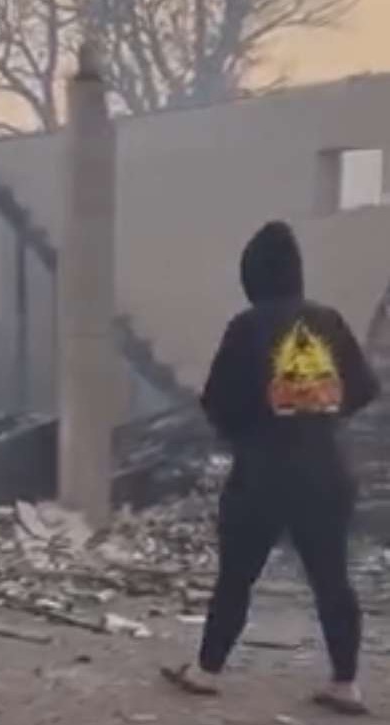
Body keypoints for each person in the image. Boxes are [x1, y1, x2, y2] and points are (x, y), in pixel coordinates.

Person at [163, 220, 380, 715]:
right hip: (325, 471)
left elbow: (217, 402)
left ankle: (206, 671)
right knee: (332, 578)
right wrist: (320, 413)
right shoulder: (328, 320)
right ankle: (345, 684)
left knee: (236, 576)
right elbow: (365, 388)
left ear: (252, 275)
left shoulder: (247, 326)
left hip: (261, 473)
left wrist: (251, 429)